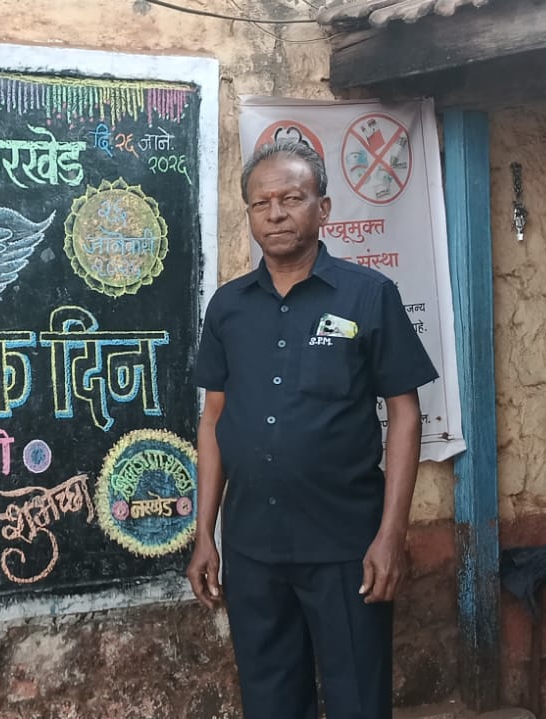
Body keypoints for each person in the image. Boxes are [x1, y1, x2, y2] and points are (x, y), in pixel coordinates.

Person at [185, 140, 436, 719]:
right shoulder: (227, 308)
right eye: (261, 203)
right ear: (250, 215)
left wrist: (391, 535)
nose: (275, 214)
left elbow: (405, 413)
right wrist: (205, 533)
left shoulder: (368, 295)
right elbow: (214, 418)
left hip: (346, 545)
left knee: (357, 701)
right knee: (270, 703)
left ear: (323, 209)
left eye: (291, 199)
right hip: (252, 547)